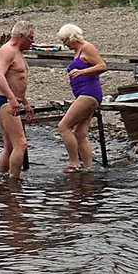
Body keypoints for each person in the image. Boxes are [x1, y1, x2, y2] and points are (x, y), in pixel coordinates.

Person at [56, 23, 105, 173]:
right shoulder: (78, 51)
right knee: (79, 134)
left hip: (89, 94)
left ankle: (74, 163)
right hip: (82, 95)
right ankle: (87, 167)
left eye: (65, 41)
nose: (64, 44)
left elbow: (102, 66)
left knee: (63, 126)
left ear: (71, 37)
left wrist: (82, 72)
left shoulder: (87, 47)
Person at [0, 21, 35, 179]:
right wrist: (12, 99)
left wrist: (25, 103)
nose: (33, 41)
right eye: (30, 38)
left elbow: (16, 82)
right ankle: (14, 181)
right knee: (21, 144)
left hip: (10, 100)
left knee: (10, 146)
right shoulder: (8, 51)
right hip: (5, 101)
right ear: (20, 36)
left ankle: (1, 178)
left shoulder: (17, 51)